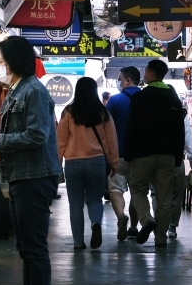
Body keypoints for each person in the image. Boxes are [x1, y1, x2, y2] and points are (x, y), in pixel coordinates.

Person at [0, 36, 61, 285]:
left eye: (0, 62)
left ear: (13, 63)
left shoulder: (34, 91)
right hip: (21, 176)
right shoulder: (16, 90)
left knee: (34, 249)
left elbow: (37, 135)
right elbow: (20, 129)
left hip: (34, 177)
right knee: (26, 248)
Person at [124, 59, 185, 246]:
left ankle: (146, 219)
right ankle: (161, 238)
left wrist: (128, 154)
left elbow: (131, 127)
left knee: (136, 187)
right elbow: (179, 130)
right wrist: (177, 155)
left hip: (143, 154)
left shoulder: (140, 98)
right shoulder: (173, 98)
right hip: (167, 155)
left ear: (150, 74)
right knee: (164, 197)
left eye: (146, 71)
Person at [57, 77, 119, 250]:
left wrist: (57, 163)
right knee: (94, 199)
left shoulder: (68, 112)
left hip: (73, 163)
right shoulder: (103, 112)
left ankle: (78, 242)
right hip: (97, 162)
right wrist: (114, 163)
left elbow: (60, 141)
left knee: (75, 204)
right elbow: (111, 140)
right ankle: (96, 224)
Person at [105, 66, 142, 241]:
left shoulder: (114, 101)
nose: (119, 82)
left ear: (127, 80)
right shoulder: (147, 99)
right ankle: (134, 227)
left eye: (120, 79)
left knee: (116, 189)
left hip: (118, 154)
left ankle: (121, 216)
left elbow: (106, 129)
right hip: (142, 155)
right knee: (137, 191)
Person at [168, 115, 192, 239]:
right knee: (176, 194)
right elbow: (188, 141)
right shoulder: (181, 115)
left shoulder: (153, 110)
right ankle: (172, 227)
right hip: (176, 160)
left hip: (157, 161)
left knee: (159, 193)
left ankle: (160, 225)